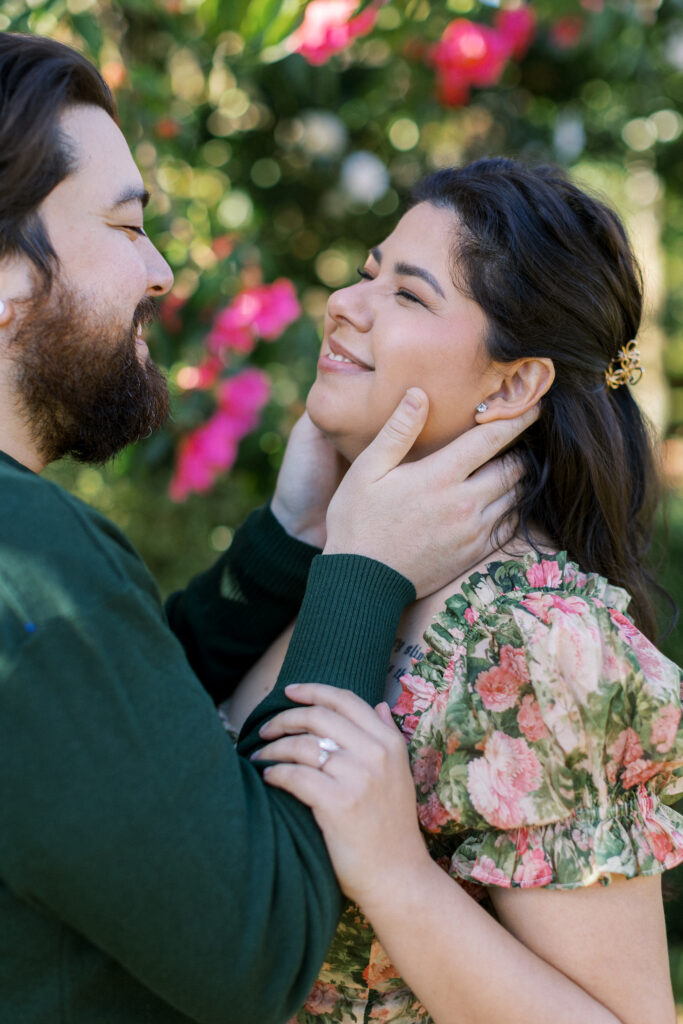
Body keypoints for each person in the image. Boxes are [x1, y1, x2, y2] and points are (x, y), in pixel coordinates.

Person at [0, 35, 538, 1024]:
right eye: (127, 227)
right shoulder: (29, 567)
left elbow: (116, 735)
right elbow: (259, 946)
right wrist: (360, 572)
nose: (161, 272)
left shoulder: (551, 637)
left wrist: (288, 539)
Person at [228, 159, 683, 1023]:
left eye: (408, 295)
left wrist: (398, 877)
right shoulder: (344, 559)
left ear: (512, 384)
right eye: (367, 273)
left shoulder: (540, 643)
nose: (346, 304)